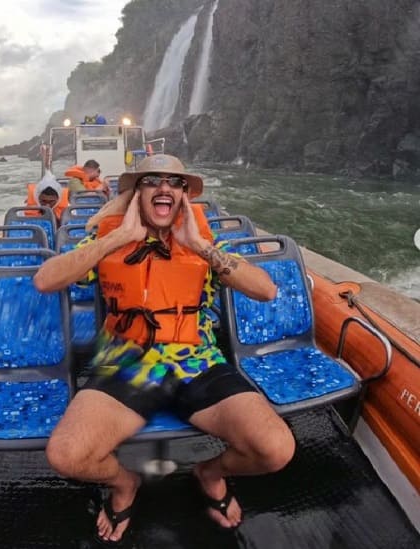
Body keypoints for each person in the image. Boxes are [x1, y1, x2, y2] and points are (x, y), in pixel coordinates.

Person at [34, 154, 295, 543]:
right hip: (129, 364)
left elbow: (265, 289)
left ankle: (210, 472)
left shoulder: (204, 244)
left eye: (175, 183)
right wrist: (118, 238)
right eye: (151, 180)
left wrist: (200, 246)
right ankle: (125, 483)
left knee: (275, 449)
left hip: (197, 363)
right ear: (137, 194)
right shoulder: (107, 238)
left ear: (184, 197)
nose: (164, 188)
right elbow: (45, 280)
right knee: (67, 454)